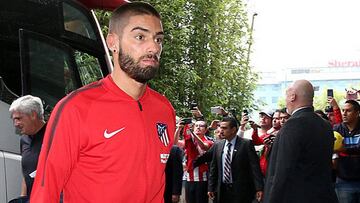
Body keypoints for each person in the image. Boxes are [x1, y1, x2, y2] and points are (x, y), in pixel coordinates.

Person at [30, 2, 176, 202]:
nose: (153, 47)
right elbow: (45, 192)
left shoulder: (164, 110)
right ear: (113, 42)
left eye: (158, 39)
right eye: (140, 37)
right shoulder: (75, 108)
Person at [263, 80, 338, 203]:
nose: (286, 100)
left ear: (293, 96)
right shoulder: (325, 125)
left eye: (287, 95)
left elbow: (281, 172)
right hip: (324, 196)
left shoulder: (292, 125)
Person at [208, 117, 263, 203]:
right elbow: (213, 168)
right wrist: (211, 187)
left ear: (233, 130)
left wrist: (259, 188)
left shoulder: (246, 144)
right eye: (220, 127)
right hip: (222, 190)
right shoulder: (218, 145)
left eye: (224, 128)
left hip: (241, 191)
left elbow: (255, 167)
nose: (221, 130)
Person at [8, 95, 46, 202]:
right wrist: (23, 197)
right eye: (14, 119)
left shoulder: (53, 135)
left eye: (18, 118)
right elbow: (26, 173)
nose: (15, 124)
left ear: (33, 115)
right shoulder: (24, 140)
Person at [175, 120, 213, 203]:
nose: (198, 127)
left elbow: (203, 146)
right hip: (189, 179)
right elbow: (175, 143)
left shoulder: (209, 141)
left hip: (202, 179)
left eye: (201, 126)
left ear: (206, 130)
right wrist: (178, 128)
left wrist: (192, 133)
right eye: (196, 125)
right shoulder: (188, 141)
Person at [333, 100, 360, 203]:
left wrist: (344, 149)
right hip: (344, 181)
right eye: (343, 110)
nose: (344, 113)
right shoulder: (337, 129)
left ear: (357, 113)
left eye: (348, 111)